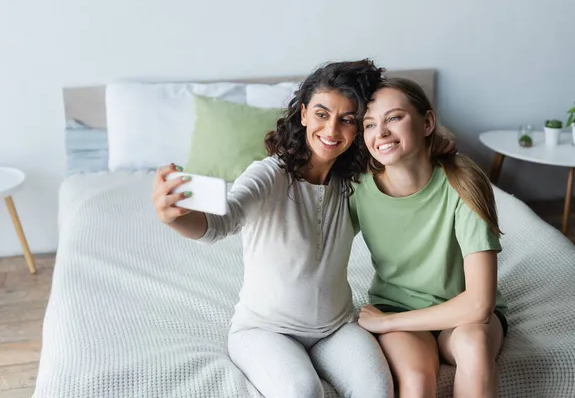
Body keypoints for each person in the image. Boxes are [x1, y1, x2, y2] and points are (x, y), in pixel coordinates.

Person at [152, 60, 395, 398]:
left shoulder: (355, 183)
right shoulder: (270, 174)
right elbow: (222, 221)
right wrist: (175, 217)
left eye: (347, 120)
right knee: (304, 392)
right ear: (304, 114)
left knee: (378, 389)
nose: (332, 130)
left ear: (359, 127)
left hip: (336, 327)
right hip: (265, 331)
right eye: (322, 114)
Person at [351, 78, 508, 398]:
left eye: (393, 118)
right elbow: (314, 236)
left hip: (464, 312)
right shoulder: (357, 189)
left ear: (427, 122)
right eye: (369, 124)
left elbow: (479, 305)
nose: (380, 133)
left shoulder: (463, 181)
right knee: (417, 378)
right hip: (395, 307)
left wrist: (384, 325)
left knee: (474, 346)